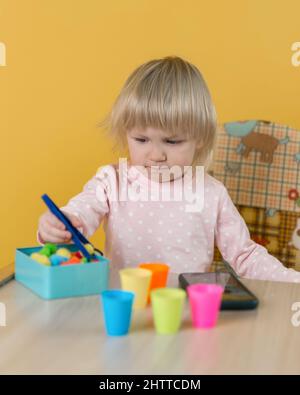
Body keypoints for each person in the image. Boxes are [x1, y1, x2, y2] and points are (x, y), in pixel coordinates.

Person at [37, 56, 300, 282]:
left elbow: (245, 255)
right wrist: (60, 224)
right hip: (126, 305)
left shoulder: (210, 193)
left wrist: (292, 280)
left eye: (172, 141)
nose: (156, 155)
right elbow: (80, 215)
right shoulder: (112, 180)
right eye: (141, 140)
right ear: (126, 133)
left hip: (186, 314)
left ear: (199, 137)